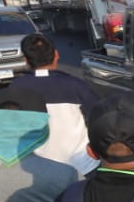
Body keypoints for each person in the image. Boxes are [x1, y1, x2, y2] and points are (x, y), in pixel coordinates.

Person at [6, 33, 100, 174]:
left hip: (39, 172)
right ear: (56, 54)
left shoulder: (15, 88)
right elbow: (99, 119)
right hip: (83, 167)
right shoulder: (75, 86)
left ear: (25, 59)